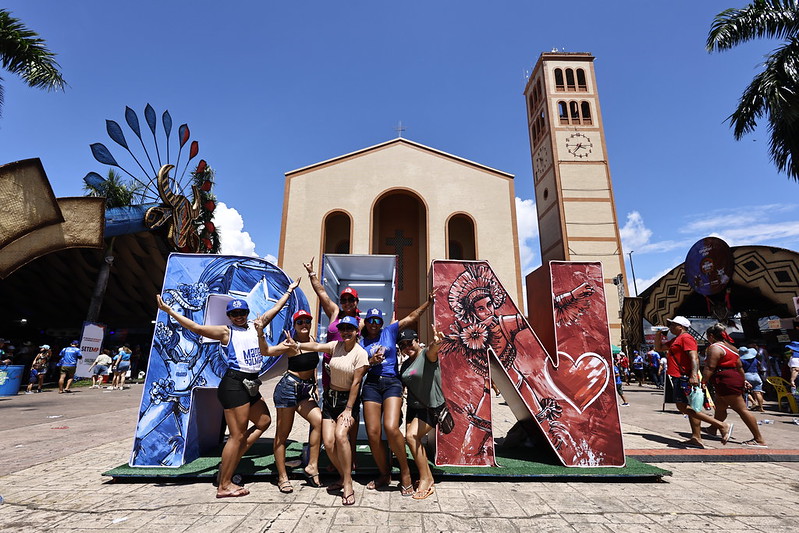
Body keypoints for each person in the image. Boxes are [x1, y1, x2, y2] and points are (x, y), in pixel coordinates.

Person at [156, 277, 299, 498]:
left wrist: (289, 291)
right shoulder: (226, 332)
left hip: (251, 384)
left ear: (247, 313)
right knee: (236, 435)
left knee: (263, 421)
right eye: (234, 314)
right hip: (234, 384)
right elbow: (196, 327)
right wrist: (169, 311)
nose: (238, 316)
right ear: (229, 316)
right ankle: (224, 484)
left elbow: (275, 309)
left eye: (242, 312)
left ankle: (231, 459)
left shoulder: (256, 325)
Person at [283, 315, 369, 506]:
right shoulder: (335, 346)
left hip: (347, 402)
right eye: (343, 329)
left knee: (340, 436)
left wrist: (348, 409)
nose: (345, 332)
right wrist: (297, 345)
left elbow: (356, 383)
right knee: (328, 443)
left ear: (357, 332)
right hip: (330, 400)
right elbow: (315, 346)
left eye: (350, 329)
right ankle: (342, 476)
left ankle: (348, 484)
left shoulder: (361, 354)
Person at [360, 295, 434, 496]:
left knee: (391, 427)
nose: (374, 324)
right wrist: (371, 362)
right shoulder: (362, 342)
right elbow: (360, 367)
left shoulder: (389, 331)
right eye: (370, 320)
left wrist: (427, 303)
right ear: (366, 322)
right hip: (372, 384)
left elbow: (411, 317)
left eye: (377, 320)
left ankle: (405, 472)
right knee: (373, 433)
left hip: (392, 382)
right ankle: (384, 474)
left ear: (381, 323)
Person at [303, 258, 362, 463]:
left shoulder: (361, 322)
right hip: (329, 371)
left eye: (350, 300)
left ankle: (351, 457)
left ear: (356, 302)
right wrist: (312, 274)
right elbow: (322, 293)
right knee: (329, 409)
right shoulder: (335, 313)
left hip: (349, 372)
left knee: (350, 415)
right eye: (344, 300)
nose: (347, 303)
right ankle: (333, 458)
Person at [654, 316, 731, 449]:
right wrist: (658, 334)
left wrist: (694, 375)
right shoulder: (676, 339)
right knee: (690, 407)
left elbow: (694, 357)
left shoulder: (686, 338)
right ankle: (696, 437)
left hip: (684, 376)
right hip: (679, 376)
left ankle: (721, 425)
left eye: (673, 324)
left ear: (681, 327)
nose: (670, 327)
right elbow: (659, 348)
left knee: (684, 407)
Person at [269, 309, 323, 494]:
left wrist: (315, 385)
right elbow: (267, 351)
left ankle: (312, 466)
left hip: (304, 391)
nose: (304, 325)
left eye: (307, 321)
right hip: (288, 389)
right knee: (282, 435)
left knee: (319, 421)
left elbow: (313, 365)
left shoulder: (313, 340)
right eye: (300, 322)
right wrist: (260, 333)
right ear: (294, 326)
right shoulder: (290, 343)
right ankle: (282, 477)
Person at [398, 327, 445, 500]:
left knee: (411, 437)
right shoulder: (405, 364)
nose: (406, 347)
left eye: (409, 342)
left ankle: (426, 479)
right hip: (413, 408)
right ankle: (426, 475)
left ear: (417, 340)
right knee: (413, 440)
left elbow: (433, 350)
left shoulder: (426, 355)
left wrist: (437, 343)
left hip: (430, 408)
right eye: (402, 345)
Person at [703, 325, 767, 448]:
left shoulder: (715, 347)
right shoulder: (732, 348)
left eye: (707, 336)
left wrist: (703, 381)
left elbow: (710, 367)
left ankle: (759, 439)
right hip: (732, 377)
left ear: (711, 336)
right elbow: (739, 367)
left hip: (725, 380)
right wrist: (743, 380)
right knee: (720, 406)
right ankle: (713, 428)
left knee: (741, 409)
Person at [740, 347, 765, 412]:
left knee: (745, 391)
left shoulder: (742, 360)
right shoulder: (755, 360)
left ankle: (753, 402)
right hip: (756, 375)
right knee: (758, 392)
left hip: (747, 375)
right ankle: (761, 407)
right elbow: (759, 365)